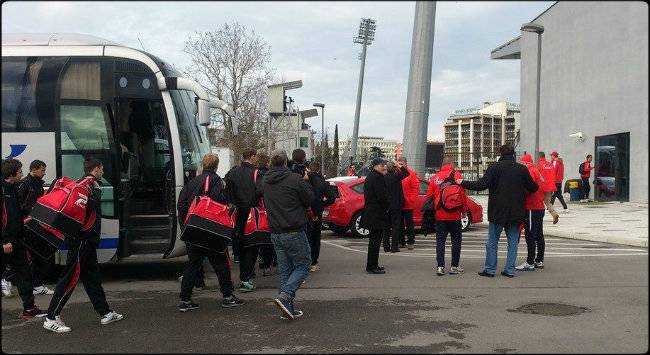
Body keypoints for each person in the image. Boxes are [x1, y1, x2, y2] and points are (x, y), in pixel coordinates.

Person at [44, 158, 123, 333]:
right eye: (102, 168)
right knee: (70, 277)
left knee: (92, 277)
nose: (103, 172)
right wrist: (96, 194)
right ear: (96, 169)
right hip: (82, 240)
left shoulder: (85, 184)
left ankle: (105, 313)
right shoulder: (87, 185)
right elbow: (84, 209)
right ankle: (51, 316)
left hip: (86, 240)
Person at [457, 145, 538, 278]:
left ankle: (490, 269)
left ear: (500, 154)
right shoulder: (522, 169)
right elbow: (533, 187)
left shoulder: (494, 168)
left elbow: (481, 185)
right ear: (513, 155)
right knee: (512, 242)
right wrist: (521, 192)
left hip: (497, 211)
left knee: (492, 242)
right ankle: (509, 270)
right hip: (516, 211)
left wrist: (462, 182)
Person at [176, 153, 244, 312]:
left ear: (203, 165)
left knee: (193, 265)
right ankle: (227, 296)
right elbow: (221, 204)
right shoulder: (217, 182)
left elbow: (182, 205)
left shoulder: (191, 183)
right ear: (216, 166)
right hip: (211, 230)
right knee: (221, 263)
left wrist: (187, 226)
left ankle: (185, 299)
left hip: (194, 229)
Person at [262, 149, 314, 320]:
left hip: (276, 231)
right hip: (293, 230)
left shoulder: (266, 181)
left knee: (285, 270)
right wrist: (306, 181)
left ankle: (287, 307)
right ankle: (286, 296)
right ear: (286, 162)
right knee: (304, 265)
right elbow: (309, 200)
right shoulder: (295, 179)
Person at [2, 158, 47, 320]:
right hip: (6, 243)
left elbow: (17, 212)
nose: (22, 173)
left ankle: (29, 309)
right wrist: (4, 240)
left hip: (17, 241)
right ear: (12, 174)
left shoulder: (14, 188)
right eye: (20, 171)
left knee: (24, 274)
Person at [15, 159, 54, 295]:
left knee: (40, 256)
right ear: (34, 169)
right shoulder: (25, 184)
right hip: (27, 224)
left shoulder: (38, 184)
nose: (44, 173)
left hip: (36, 223)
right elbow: (18, 204)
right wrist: (32, 210)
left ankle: (37, 284)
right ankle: (8, 279)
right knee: (31, 256)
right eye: (42, 170)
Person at [425, 156, 468, 276]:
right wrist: (464, 211)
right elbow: (462, 195)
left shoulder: (434, 177)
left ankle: (440, 267)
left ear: (442, 164)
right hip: (454, 214)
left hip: (440, 215)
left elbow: (429, 197)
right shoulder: (457, 175)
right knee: (456, 240)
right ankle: (454, 267)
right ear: (451, 164)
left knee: (440, 241)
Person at [224, 149, 260, 292]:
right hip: (251, 213)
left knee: (240, 246)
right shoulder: (256, 173)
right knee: (252, 247)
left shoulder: (232, 173)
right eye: (255, 157)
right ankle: (245, 278)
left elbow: (226, 193)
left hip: (236, 214)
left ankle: (243, 275)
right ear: (252, 157)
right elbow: (260, 191)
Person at [516, 154, 547, 271]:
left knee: (530, 235)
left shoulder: (530, 172)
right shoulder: (537, 171)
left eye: (521, 163)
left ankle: (530, 262)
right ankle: (539, 260)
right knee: (539, 235)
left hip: (531, 208)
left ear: (525, 163)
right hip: (539, 207)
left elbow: (528, 189)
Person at [306, 161, 336, 272]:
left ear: (308, 169)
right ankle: (313, 263)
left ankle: (303, 262)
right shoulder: (321, 182)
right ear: (318, 170)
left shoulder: (303, 179)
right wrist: (322, 204)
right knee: (315, 238)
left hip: (304, 212)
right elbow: (332, 197)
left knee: (305, 237)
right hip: (317, 212)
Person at [361, 158, 389, 274]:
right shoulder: (377, 178)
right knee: (375, 241)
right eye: (382, 165)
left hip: (372, 212)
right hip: (376, 213)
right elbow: (381, 197)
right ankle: (372, 266)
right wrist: (387, 206)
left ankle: (373, 264)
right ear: (376, 166)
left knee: (374, 241)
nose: (384, 167)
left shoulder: (371, 176)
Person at [255, 152, 276, 277]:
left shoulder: (255, 175)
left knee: (257, 237)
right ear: (268, 163)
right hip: (268, 209)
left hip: (257, 210)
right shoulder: (269, 176)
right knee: (269, 239)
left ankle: (262, 260)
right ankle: (267, 265)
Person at [383, 160, 409, 253]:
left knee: (386, 227)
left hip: (386, 206)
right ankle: (394, 247)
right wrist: (399, 165)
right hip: (396, 205)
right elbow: (406, 173)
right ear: (394, 168)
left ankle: (386, 246)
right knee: (395, 226)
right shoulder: (396, 176)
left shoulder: (383, 178)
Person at [398, 157, 419, 250]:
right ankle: (401, 241)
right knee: (399, 224)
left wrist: (411, 199)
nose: (400, 166)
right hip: (399, 203)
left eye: (402, 164)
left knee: (409, 224)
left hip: (408, 204)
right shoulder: (396, 173)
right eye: (399, 164)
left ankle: (410, 241)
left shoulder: (411, 173)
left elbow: (415, 188)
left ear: (406, 164)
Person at [537, 152, 560, 225]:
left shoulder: (538, 165)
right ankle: (554, 214)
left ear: (539, 157)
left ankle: (539, 218)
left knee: (539, 202)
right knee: (547, 202)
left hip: (541, 187)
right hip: (550, 187)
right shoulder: (550, 164)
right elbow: (554, 175)